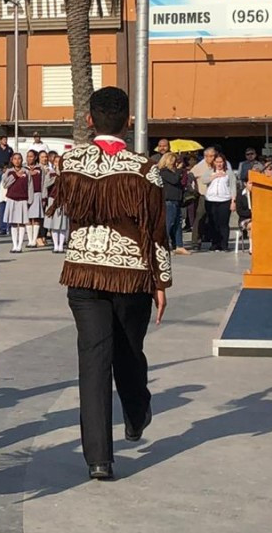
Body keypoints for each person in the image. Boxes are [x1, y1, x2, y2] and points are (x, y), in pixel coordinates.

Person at [52, 86, 170, 481]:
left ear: (89, 120)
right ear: (128, 121)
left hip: (83, 269)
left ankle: (99, 458)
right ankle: (135, 413)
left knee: (94, 359)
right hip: (132, 272)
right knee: (128, 352)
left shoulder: (70, 163)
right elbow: (156, 229)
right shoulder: (144, 168)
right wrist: (161, 281)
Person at [204, 153, 237, 252]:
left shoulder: (229, 173)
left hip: (224, 200)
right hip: (211, 200)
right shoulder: (209, 171)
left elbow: (233, 187)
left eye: (221, 162)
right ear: (214, 162)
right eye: (217, 162)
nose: (219, 164)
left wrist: (233, 201)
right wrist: (214, 176)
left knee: (223, 223)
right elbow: (203, 180)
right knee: (213, 222)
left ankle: (224, 244)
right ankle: (215, 244)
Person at [158, 153, 190, 255]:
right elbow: (174, 180)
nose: (176, 164)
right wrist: (179, 170)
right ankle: (164, 245)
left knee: (178, 224)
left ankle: (179, 245)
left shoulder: (175, 172)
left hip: (177, 200)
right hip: (169, 201)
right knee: (168, 223)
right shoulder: (163, 172)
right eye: (174, 162)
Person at [1, 153, 31, 253]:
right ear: (12, 160)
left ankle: (19, 245)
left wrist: (30, 200)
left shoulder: (26, 171)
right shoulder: (9, 171)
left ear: (22, 160)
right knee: (13, 223)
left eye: (19, 158)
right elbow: (5, 184)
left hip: (23, 199)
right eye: (15, 159)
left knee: (21, 223)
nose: (17, 161)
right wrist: (15, 175)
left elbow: (30, 186)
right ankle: (14, 245)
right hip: (12, 199)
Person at [44, 152, 70, 253]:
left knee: (62, 224)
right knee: (54, 224)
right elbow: (46, 184)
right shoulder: (50, 173)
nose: (57, 163)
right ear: (53, 163)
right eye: (56, 161)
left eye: (60, 161)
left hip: (63, 200)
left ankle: (61, 245)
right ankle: (55, 245)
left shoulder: (67, 174)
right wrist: (55, 177)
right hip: (53, 199)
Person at [0, 136, 15, 235]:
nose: (5, 141)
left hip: (8, 168)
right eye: (3, 140)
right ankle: (2, 228)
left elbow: (12, 158)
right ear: (0, 140)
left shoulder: (9, 149)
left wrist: (10, 167)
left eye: (6, 139)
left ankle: (9, 227)